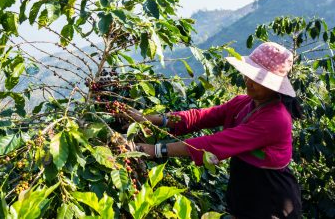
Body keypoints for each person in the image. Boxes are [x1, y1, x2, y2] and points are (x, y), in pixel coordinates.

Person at [127, 42, 302, 219]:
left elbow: (215, 143)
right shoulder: (243, 103)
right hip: (246, 195)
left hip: (271, 203)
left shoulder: (276, 119)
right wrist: (148, 119)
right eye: (249, 74)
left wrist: (154, 150)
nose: (248, 81)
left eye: (257, 80)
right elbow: (202, 116)